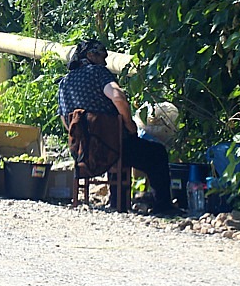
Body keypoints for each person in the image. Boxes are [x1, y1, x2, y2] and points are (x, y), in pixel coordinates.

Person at [57, 39, 178, 215]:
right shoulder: (98, 72)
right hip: (111, 148)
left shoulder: (64, 83)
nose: (105, 62)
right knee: (156, 152)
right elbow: (118, 97)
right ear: (90, 55)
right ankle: (163, 206)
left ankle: (118, 202)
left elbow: (64, 119)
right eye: (102, 56)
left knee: (113, 142)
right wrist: (130, 126)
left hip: (83, 151)